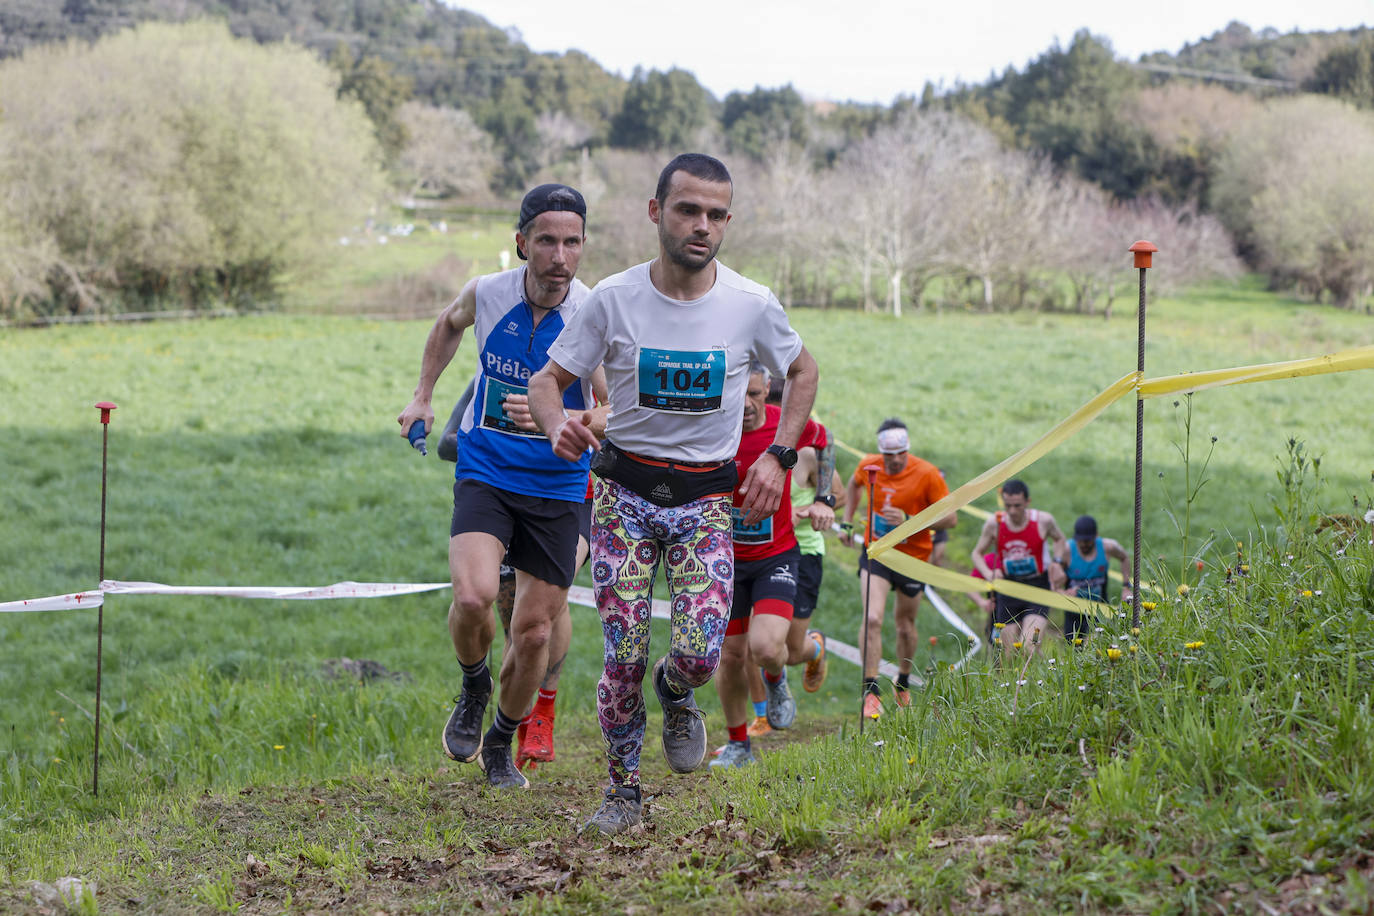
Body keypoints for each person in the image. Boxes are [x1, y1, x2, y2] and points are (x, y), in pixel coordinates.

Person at [527, 153, 819, 836]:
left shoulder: (750, 304)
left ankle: (677, 688)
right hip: (623, 497)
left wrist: (781, 455)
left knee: (699, 653)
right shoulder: (615, 299)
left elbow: (802, 372)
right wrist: (556, 427)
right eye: (689, 210)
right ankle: (622, 789)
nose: (703, 226)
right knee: (621, 654)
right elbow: (547, 382)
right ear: (657, 212)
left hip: (704, 504)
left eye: (717, 215)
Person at [396, 183, 607, 790]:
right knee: (473, 597)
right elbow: (447, 322)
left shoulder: (594, 311)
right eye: (546, 241)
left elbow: (614, 407)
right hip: (486, 469)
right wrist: (423, 395)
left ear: (583, 246)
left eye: (571, 242)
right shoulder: (488, 293)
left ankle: (498, 744)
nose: (559, 256)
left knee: (536, 629)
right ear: (521, 243)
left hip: (560, 485)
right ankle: (472, 685)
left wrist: (565, 420)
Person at [436, 376, 588, 771]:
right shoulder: (502, 363)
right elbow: (448, 441)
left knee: (542, 619)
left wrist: (558, 422)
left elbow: (620, 417)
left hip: (577, 494)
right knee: (507, 621)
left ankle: (540, 715)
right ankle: (491, 702)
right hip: (503, 486)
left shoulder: (590, 342)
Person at [709, 365, 828, 769]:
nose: (745, 404)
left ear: (766, 393)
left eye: (755, 394)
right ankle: (739, 744)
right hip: (724, 559)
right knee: (731, 656)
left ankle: (777, 681)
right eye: (737, 395)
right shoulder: (712, 428)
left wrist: (825, 498)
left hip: (776, 556)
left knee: (764, 649)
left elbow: (823, 444)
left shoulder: (785, 427)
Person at [839, 419, 956, 719]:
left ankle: (902, 681)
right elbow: (853, 485)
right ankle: (870, 690)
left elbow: (950, 519)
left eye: (900, 454)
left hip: (913, 558)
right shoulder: (869, 465)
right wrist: (848, 519)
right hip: (877, 553)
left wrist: (908, 518)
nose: (893, 460)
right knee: (873, 618)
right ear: (880, 452)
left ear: (907, 450)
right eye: (888, 454)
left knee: (905, 625)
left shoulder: (927, 474)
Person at [970, 479, 1068, 657]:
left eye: (1017, 506)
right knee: (1007, 653)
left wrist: (1057, 562)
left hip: (1037, 587)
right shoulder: (995, 524)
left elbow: (1060, 539)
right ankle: (1021, 682)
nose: (1013, 511)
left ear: (1027, 502)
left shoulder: (1043, 521)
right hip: (1008, 589)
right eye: (1008, 506)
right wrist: (988, 574)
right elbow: (976, 553)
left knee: (1028, 646)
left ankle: (1043, 679)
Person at [1055, 515, 1133, 645]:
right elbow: (1054, 580)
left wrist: (1126, 587)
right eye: (1080, 541)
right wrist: (1060, 590)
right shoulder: (1067, 550)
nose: (1084, 544)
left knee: (1096, 644)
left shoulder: (1108, 547)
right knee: (1074, 649)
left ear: (1096, 536)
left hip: (1100, 608)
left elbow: (1124, 558)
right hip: (1074, 610)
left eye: (1088, 541)